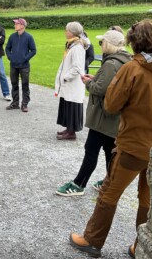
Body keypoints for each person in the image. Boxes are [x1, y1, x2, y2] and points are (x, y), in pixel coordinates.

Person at [69, 19, 152, 259]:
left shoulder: (133, 68)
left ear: (135, 43)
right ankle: (141, 247)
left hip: (133, 143)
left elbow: (112, 104)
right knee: (147, 198)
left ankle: (92, 240)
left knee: (109, 192)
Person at [56, 29, 131, 196]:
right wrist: (95, 78)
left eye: (102, 42)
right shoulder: (124, 61)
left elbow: (100, 89)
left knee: (91, 149)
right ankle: (109, 182)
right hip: (113, 117)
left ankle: (78, 184)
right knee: (108, 150)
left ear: (109, 45)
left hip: (103, 117)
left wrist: (88, 83)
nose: (101, 45)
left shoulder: (111, 64)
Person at [54, 21, 89, 140]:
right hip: (68, 84)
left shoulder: (77, 48)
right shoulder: (71, 45)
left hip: (72, 83)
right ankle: (68, 129)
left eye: (67, 30)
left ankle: (72, 132)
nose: (65, 32)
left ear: (72, 32)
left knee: (72, 105)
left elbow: (77, 67)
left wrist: (65, 77)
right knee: (67, 104)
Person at [5, 18, 37, 112]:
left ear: (22, 25)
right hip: (13, 65)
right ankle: (15, 103)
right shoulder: (12, 36)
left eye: (16, 24)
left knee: (25, 85)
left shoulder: (29, 37)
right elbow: (7, 48)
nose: (15, 25)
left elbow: (33, 50)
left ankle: (24, 104)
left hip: (24, 66)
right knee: (14, 84)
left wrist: (25, 58)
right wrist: (10, 57)